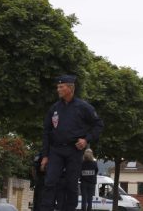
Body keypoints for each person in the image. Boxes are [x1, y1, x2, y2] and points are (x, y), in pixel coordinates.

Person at [40, 75, 104, 211]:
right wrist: (45, 156)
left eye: (61, 87)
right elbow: (46, 131)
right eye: (58, 87)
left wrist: (86, 139)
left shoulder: (83, 107)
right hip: (55, 150)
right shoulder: (54, 108)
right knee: (50, 181)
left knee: (71, 184)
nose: (58, 89)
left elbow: (98, 124)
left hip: (74, 151)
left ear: (70, 88)